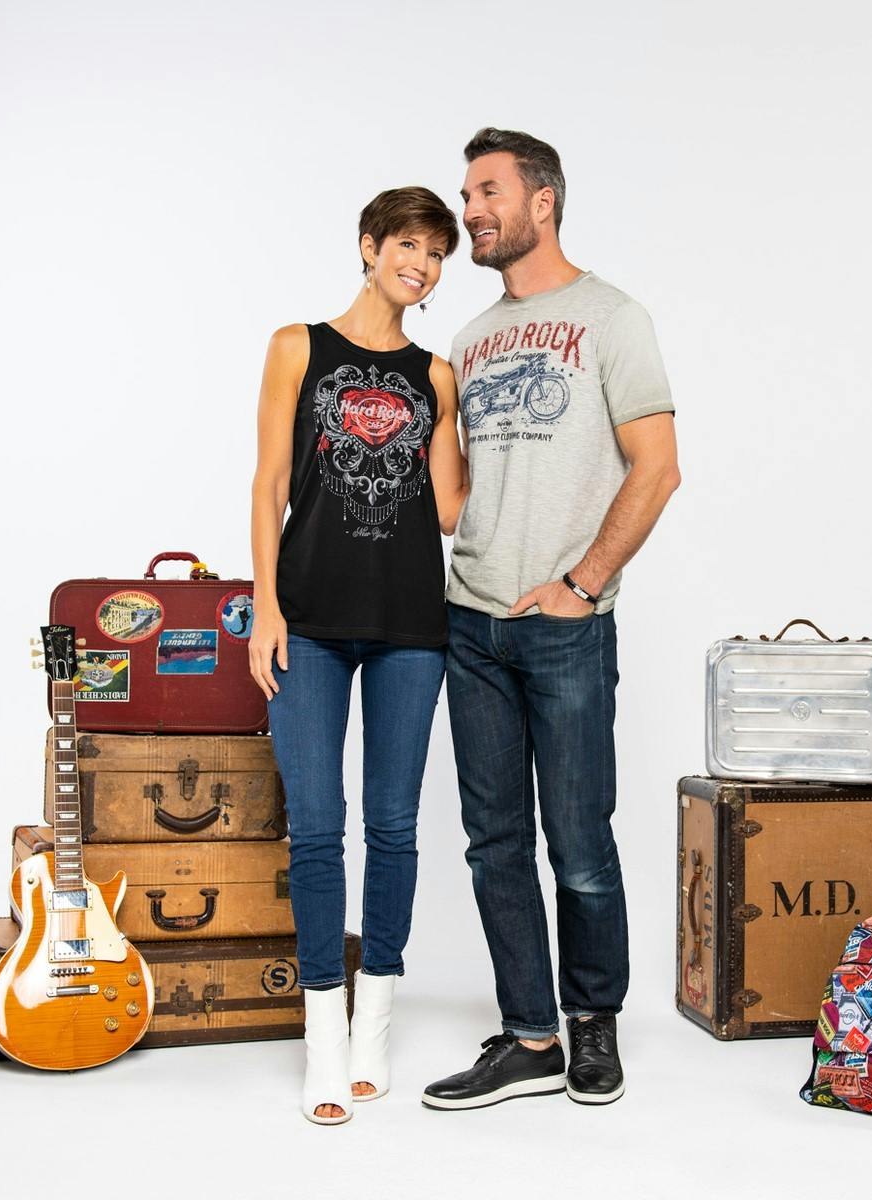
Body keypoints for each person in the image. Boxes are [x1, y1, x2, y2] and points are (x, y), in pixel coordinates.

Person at [422, 129, 681, 1111]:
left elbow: (658, 469)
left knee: (578, 842)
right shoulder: (469, 341)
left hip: (567, 628)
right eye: (464, 193)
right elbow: (457, 504)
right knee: (493, 845)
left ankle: (594, 1030)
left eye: (487, 190)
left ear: (543, 202)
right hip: (470, 625)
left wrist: (583, 581)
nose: (470, 208)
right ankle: (530, 1037)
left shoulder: (613, 318)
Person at [248, 186, 466, 1125]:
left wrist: (489, 423)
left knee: (394, 828)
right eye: (409, 245)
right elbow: (268, 484)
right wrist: (265, 607)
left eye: (436, 253)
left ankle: (375, 1016)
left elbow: (450, 511)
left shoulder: (440, 373)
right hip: (309, 618)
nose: (421, 265)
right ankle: (323, 1035)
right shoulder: (296, 345)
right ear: (370, 247)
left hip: (414, 622)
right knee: (315, 829)